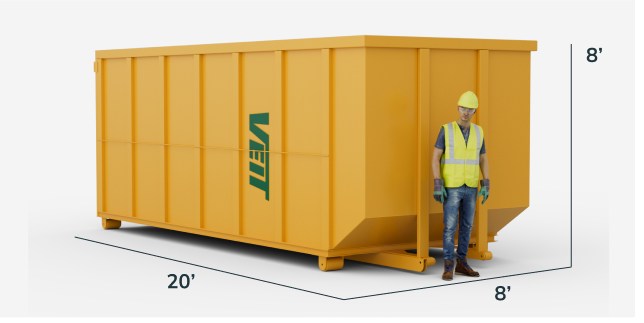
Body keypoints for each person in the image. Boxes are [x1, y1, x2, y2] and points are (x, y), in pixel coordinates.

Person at [432, 91, 490, 281]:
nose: (466, 112)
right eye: (463, 108)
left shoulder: (478, 131)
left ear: (475, 111)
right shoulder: (446, 130)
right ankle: (448, 264)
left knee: (466, 226)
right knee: (449, 227)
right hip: (452, 186)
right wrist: (438, 183)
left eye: (470, 109)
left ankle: (461, 263)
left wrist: (486, 182)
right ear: (458, 108)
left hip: (471, 186)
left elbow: (482, 158)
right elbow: (435, 157)